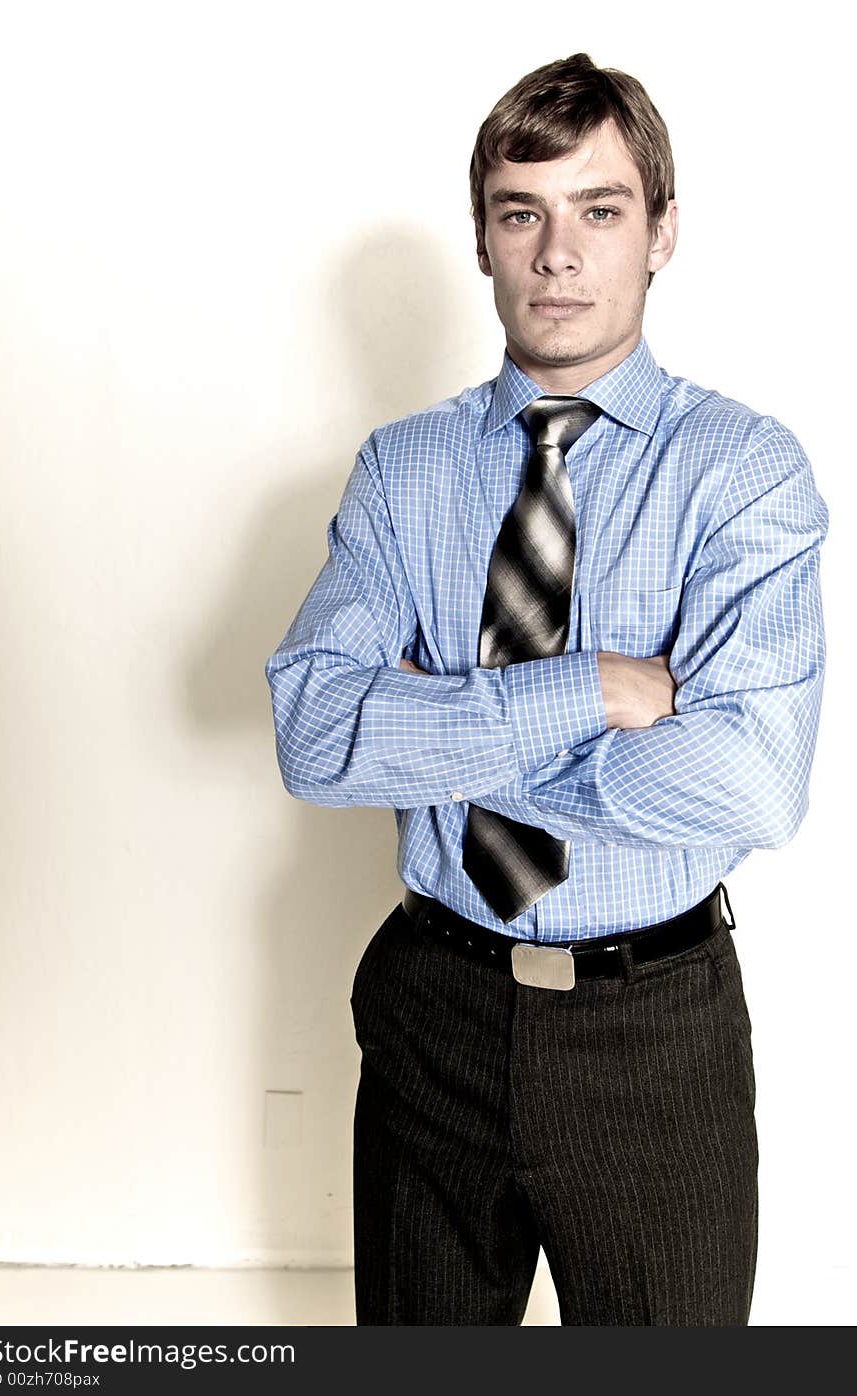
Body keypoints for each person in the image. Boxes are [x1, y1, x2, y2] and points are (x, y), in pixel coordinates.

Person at [265, 53, 828, 1326]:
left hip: (653, 1039)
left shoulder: (740, 476)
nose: (558, 254)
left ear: (661, 232)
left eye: (600, 210)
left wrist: (434, 725)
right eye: (522, 214)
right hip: (434, 1016)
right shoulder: (403, 474)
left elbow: (753, 778)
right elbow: (313, 735)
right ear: (483, 241)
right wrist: (595, 689)